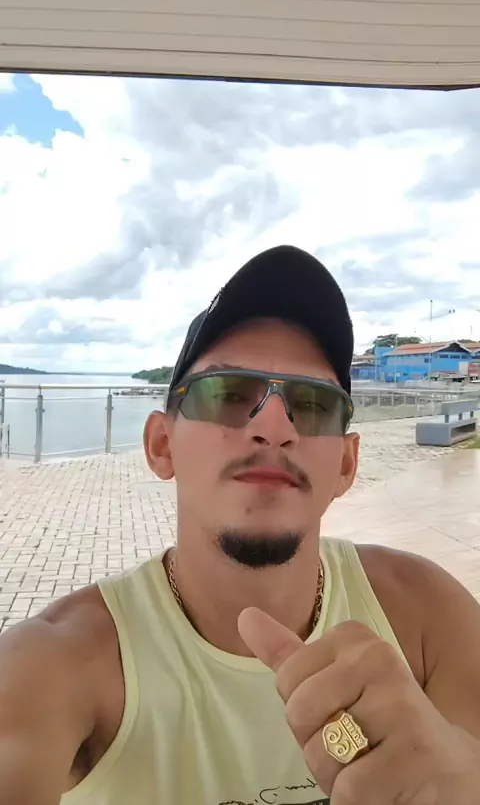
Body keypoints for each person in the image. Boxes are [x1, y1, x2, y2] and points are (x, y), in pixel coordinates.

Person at [0, 245, 479, 805]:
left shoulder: (427, 619)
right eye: (227, 394)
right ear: (161, 445)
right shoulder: (53, 668)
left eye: (313, 403)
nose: (274, 427)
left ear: (347, 465)